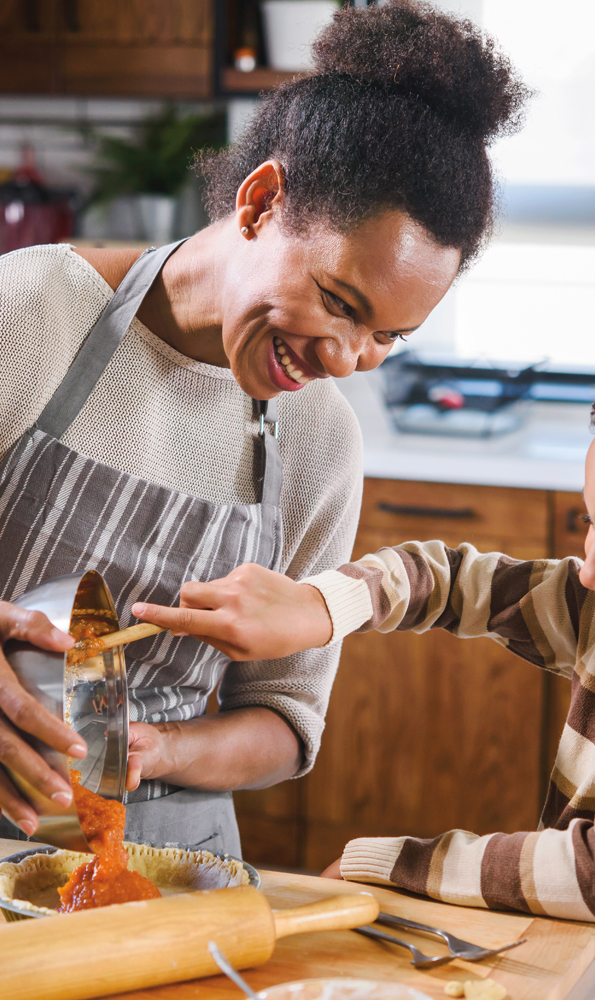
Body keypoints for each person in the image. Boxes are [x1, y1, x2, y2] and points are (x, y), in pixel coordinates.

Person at [0, 0, 527, 854]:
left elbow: (283, 720)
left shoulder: (320, 442)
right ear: (259, 202)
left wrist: (158, 749)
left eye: (387, 337)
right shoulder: (34, 313)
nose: (350, 358)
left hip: (168, 852)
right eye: (341, 302)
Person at [136, 316, 595, 950]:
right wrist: (320, 607)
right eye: (589, 528)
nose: (591, 570)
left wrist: (389, 864)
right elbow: (448, 580)